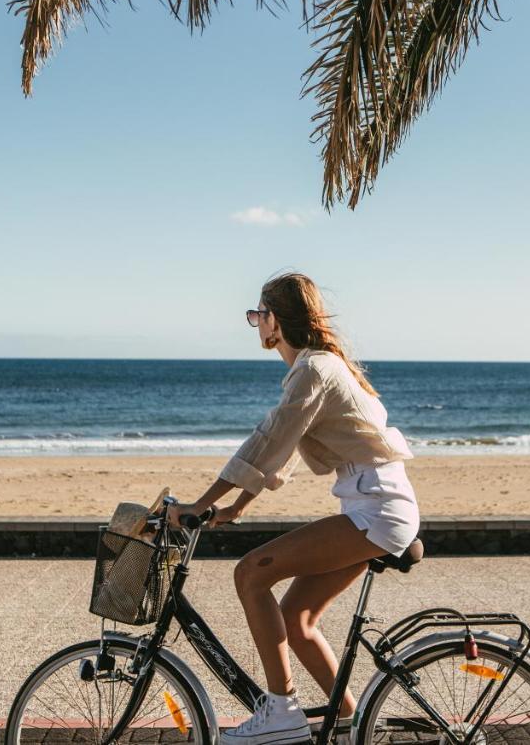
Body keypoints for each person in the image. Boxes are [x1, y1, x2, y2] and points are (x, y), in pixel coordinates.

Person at [166, 272, 419, 745]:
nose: (255, 324)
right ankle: (350, 727)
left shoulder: (313, 370)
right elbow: (284, 451)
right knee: (297, 619)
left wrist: (203, 502)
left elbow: (266, 442)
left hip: (375, 511)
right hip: (376, 506)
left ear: (275, 321)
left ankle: (281, 711)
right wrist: (236, 505)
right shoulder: (317, 368)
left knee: (250, 573)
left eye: (257, 315)